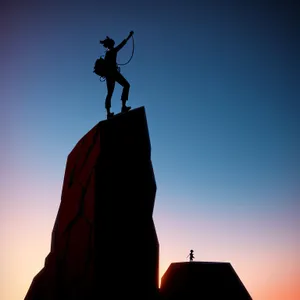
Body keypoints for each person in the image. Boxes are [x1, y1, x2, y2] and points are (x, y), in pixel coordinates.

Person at [100, 31, 134, 118]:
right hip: (113, 74)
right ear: (111, 44)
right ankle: (123, 106)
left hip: (109, 75)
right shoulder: (113, 51)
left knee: (109, 93)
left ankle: (108, 113)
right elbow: (122, 44)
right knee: (126, 85)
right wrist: (129, 35)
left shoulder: (107, 53)